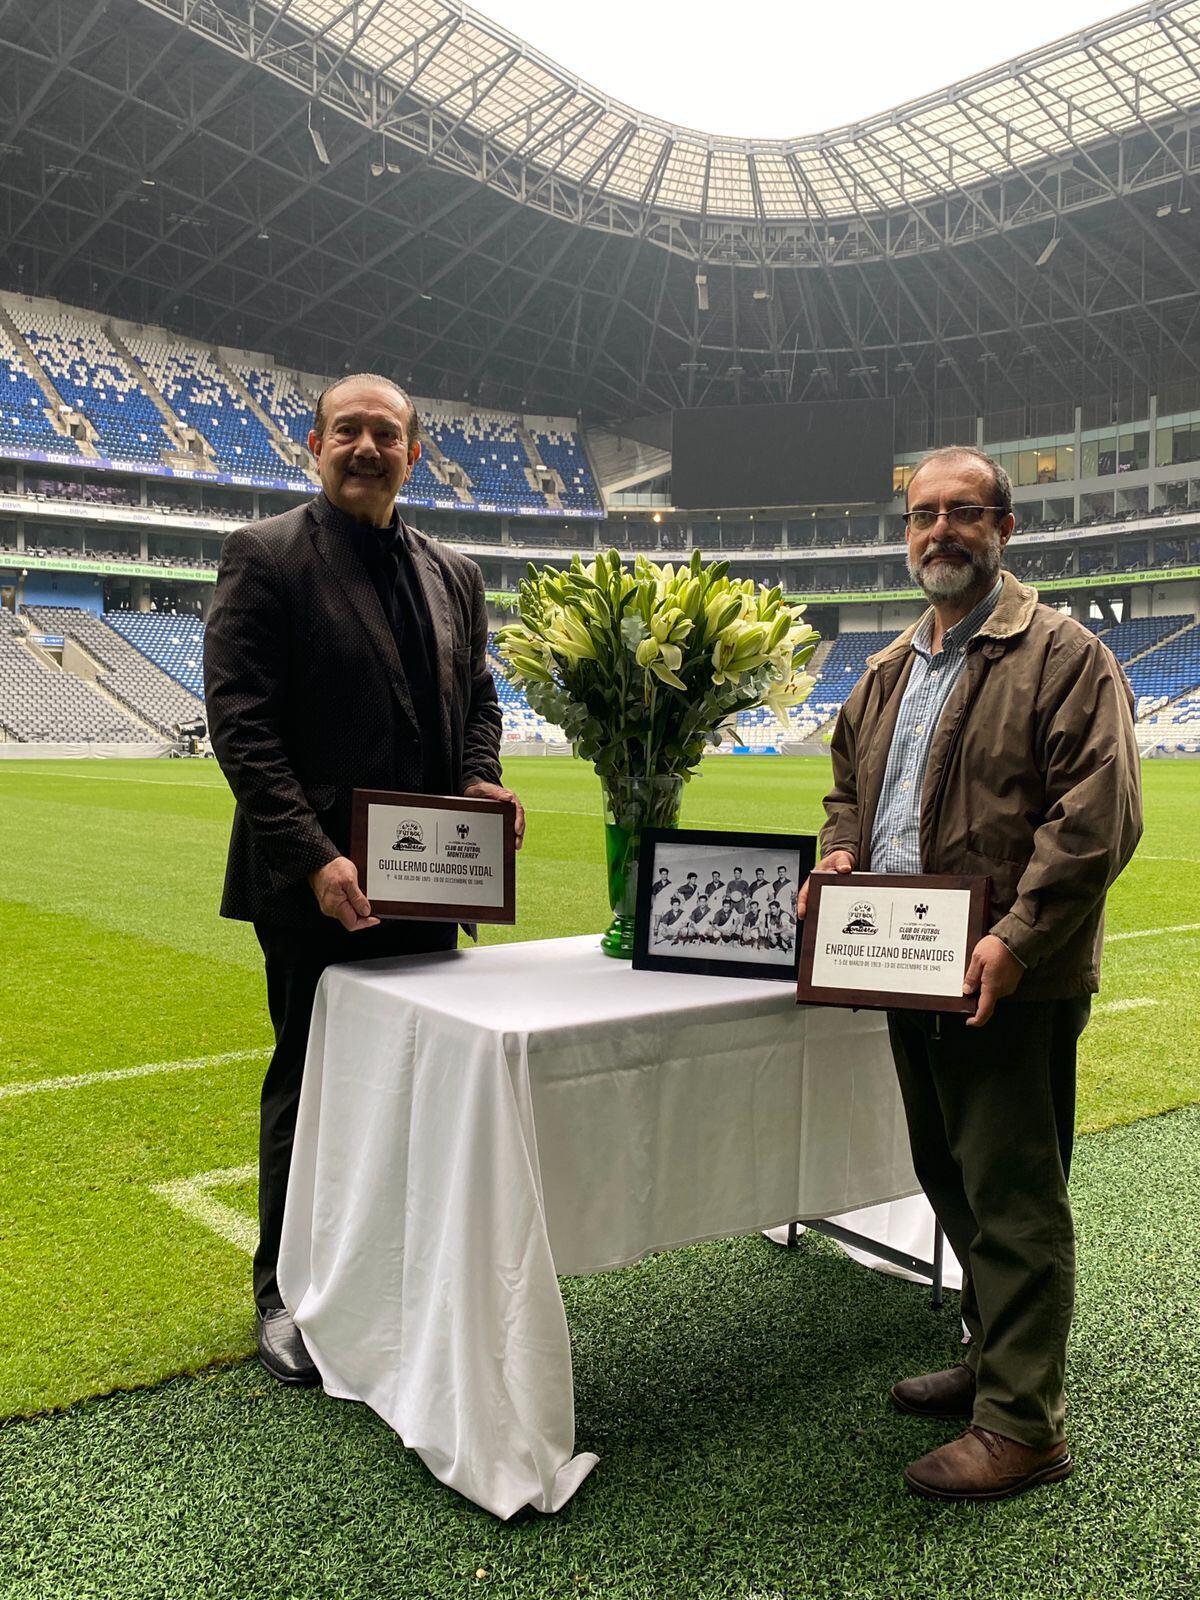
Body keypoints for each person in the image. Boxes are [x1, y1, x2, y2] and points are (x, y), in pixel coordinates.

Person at [796, 445, 1140, 1502]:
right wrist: (840, 853)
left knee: (1014, 1191)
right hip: (903, 957)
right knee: (947, 1172)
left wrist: (1021, 934)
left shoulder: (1062, 654)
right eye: (923, 515)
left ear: (1004, 529)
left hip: (1005, 973)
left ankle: (1025, 1424)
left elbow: (1096, 819)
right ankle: (995, 1362)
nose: (940, 530)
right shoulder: (892, 666)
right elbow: (849, 789)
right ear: (907, 533)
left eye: (964, 513)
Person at [204, 374, 524, 1388]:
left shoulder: (454, 572)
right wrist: (313, 855)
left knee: (414, 1080)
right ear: (314, 444)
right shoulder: (265, 556)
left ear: (413, 454)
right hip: (315, 885)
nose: (366, 446)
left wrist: (482, 781)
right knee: (310, 1081)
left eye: (387, 433)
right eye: (349, 430)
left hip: (430, 880)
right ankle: (283, 1294)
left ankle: (382, 1272)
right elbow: (241, 727)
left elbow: (479, 699)